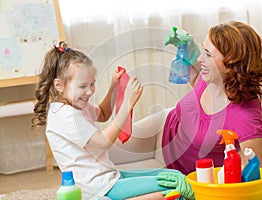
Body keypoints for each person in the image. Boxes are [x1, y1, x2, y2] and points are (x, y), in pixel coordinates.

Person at [31, 41, 192, 200]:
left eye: (92, 84)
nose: (89, 91)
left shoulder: (77, 104)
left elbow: (102, 113)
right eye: (82, 86)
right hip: (98, 188)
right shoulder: (66, 116)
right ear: (59, 85)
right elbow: (102, 142)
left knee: (174, 175)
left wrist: (114, 86)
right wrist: (127, 105)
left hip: (110, 177)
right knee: (175, 186)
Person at [160, 21, 262, 193]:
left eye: (208, 54)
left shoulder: (245, 116)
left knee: (110, 178)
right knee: (104, 158)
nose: (199, 59)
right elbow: (195, 80)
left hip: (172, 166)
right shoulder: (212, 78)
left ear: (231, 63)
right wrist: (185, 48)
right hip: (163, 127)